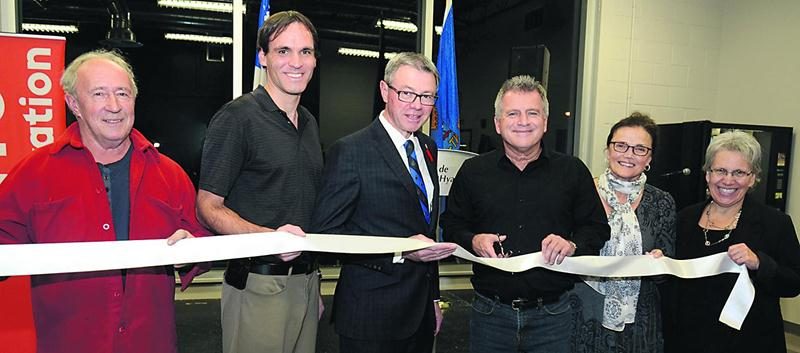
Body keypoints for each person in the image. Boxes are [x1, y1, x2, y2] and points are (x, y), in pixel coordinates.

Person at [0, 50, 210, 353]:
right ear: (74, 104)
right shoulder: (33, 174)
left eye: (122, 93)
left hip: (151, 343)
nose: (114, 106)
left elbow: (201, 240)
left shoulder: (170, 175)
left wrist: (193, 248)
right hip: (69, 344)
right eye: (99, 93)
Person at [440, 75, 610, 353]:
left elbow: (597, 228)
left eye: (532, 113)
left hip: (553, 316)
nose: (523, 121)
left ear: (545, 121)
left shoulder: (573, 172)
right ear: (498, 123)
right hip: (489, 315)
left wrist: (572, 244)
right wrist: (473, 240)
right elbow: (451, 225)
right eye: (513, 113)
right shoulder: (473, 172)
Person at [311, 52, 457, 353]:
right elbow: (326, 234)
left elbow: (425, 229)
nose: (417, 106)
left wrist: (433, 300)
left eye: (427, 96)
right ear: (384, 91)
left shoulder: (428, 148)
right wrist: (401, 250)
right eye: (406, 93)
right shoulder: (350, 151)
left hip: (420, 316)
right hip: (370, 316)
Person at [195, 10, 323, 353]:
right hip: (257, 285)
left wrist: (311, 288)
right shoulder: (237, 118)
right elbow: (208, 207)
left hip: (307, 284)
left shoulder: (309, 123)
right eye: (283, 51)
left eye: (305, 52)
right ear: (263, 57)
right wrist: (270, 239)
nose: (296, 62)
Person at [668, 131, 800, 353]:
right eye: (720, 170)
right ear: (707, 174)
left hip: (749, 342)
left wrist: (760, 263)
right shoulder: (684, 219)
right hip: (688, 339)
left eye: (739, 172)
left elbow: (795, 282)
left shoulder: (775, 223)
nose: (728, 180)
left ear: (752, 178)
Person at [570, 113, 676, 353]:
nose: (628, 155)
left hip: (640, 320)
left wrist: (660, 262)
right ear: (608, 150)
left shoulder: (662, 202)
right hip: (582, 313)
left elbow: (668, 270)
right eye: (621, 146)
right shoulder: (579, 193)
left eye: (640, 149)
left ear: (649, 157)